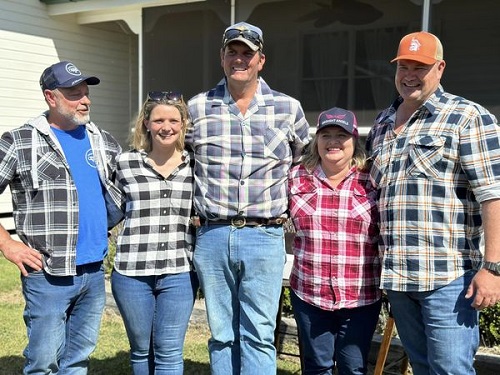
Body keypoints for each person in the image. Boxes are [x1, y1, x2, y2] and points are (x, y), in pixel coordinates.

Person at [366, 31, 500, 375]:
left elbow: (493, 194)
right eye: (403, 66)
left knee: (450, 370)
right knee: (424, 368)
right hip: (398, 277)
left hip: (448, 277)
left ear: (439, 68)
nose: (409, 75)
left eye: (420, 67)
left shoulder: (467, 117)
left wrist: (493, 267)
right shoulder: (381, 124)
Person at [186, 21, 310, 375]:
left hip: (265, 235)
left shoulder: (288, 109)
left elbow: (303, 164)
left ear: (261, 60)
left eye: (247, 53)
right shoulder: (197, 109)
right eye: (232, 52)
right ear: (222, 58)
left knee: (258, 333)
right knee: (222, 333)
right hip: (213, 236)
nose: (239, 59)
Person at [0, 61, 122, 374]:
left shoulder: (103, 141)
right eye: (73, 93)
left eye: (86, 92)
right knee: (43, 363)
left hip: (94, 272)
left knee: (78, 359)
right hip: (48, 274)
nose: (85, 99)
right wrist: (8, 245)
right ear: (50, 97)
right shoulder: (19, 142)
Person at [111, 91, 199, 375]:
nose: (166, 127)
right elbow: (109, 210)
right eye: (158, 119)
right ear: (146, 123)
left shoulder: (196, 165)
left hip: (179, 272)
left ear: (183, 123)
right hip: (132, 272)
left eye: (174, 120)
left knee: (169, 350)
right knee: (141, 350)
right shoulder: (125, 163)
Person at [289, 107, 381, 375]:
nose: (333, 142)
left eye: (341, 135)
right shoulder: (296, 177)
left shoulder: (372, 180)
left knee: (353, 367)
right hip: (309, 294)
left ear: (355, 140)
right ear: (316, 141)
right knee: (317, 367)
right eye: (326, 135)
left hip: (360, 296)